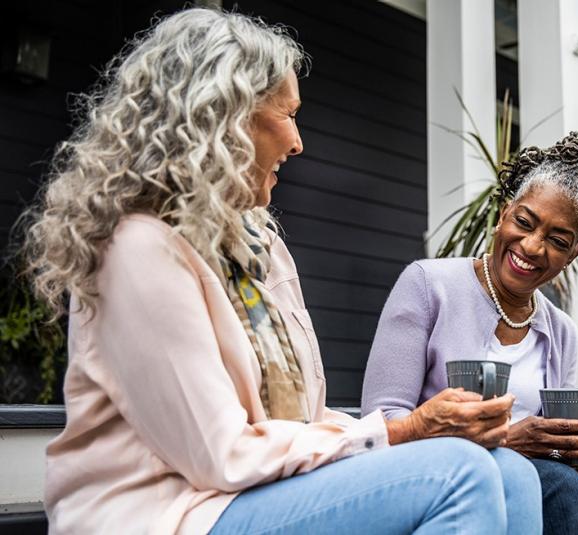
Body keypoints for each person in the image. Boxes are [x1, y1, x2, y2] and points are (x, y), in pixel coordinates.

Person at [22, 8, 542, 534]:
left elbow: (302, 423)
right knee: (459, 474)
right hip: (169, 514)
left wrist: (408, 431)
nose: (297, 142)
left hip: (260, 495)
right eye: (287, 114)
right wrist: (402, 432)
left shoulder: (256, 244)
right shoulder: (139, 248)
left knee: (511, 473)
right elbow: (219, 455)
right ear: (221, 117)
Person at [362, 130, 578, 535]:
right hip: (441, 470)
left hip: (536, 471)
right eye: (524, 222)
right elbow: (382, 422)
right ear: (505, 213)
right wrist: (505, 441)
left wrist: (574, 439)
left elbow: (547, 443)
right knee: (561, 488)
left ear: (574, 253)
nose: (533, 246)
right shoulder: (427, 285)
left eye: (557, 240)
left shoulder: (561, 331)